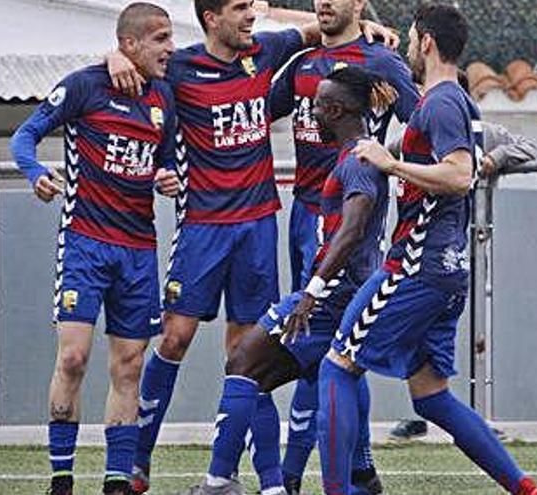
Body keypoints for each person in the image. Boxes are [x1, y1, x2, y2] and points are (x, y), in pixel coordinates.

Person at [104, 3, 397, 494]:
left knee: (247, 354)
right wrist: (113, 56)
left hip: (259, 223)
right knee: (174, 339)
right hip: (202, 225)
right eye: (240, 8)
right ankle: (138, 463)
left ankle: (258, 481)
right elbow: (135, 58)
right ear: (211, 17)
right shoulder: (179, 64)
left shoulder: (265, 51)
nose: (250, 18)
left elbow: (314, 32)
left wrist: (362, 26)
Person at [316, 4, 537, 495]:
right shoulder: (456, 102)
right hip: (446, 270)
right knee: (430, 395)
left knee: (337, 364)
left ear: (425, 43)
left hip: (415, 266)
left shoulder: (442, 101)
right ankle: (526, 488)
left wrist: (390, 163)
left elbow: (459, 175)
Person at [185, 65, 392, 495]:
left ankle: (221, 480)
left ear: (334, 110)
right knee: (271, 374)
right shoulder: (359, 152)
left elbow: (352, 231)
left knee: (243, 362)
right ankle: (304, 481)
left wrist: (312, 292)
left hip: (330, 296)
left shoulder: (357, 162)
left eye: (317, 104)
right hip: (339, 294)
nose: (311, 112)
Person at [9, 4, 180, 494]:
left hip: (138, 249)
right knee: (73, 359)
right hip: (85, 243)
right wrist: (36, 173)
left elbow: (162, 161)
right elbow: (24, 136)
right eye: (161, 39)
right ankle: (61, 479)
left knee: (129, 365)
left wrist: (164, 176)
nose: (170, 48)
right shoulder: (84, 85)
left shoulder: (162, 96)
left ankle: (115, 482)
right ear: (130, 44)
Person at [268, 0, 420, 490]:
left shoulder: (381, 60)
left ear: (359, 3)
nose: (325, 2)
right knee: (309, 344)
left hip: (354, 216)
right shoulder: (302, 61)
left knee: (340, 344)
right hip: (304, 212)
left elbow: (422, 126)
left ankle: (322, 471)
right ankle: (350, 470)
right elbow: (249, 113)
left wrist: (398, 168)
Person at [385, 68, 537, 442]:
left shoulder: (482, 131)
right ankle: (425, 414)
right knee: (419, 346)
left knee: (346, 356)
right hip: (431, 254)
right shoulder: (417, 129)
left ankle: (476, 415)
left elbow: (527, 147)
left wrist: (492, 159)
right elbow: (389, 152)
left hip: (462, 248)